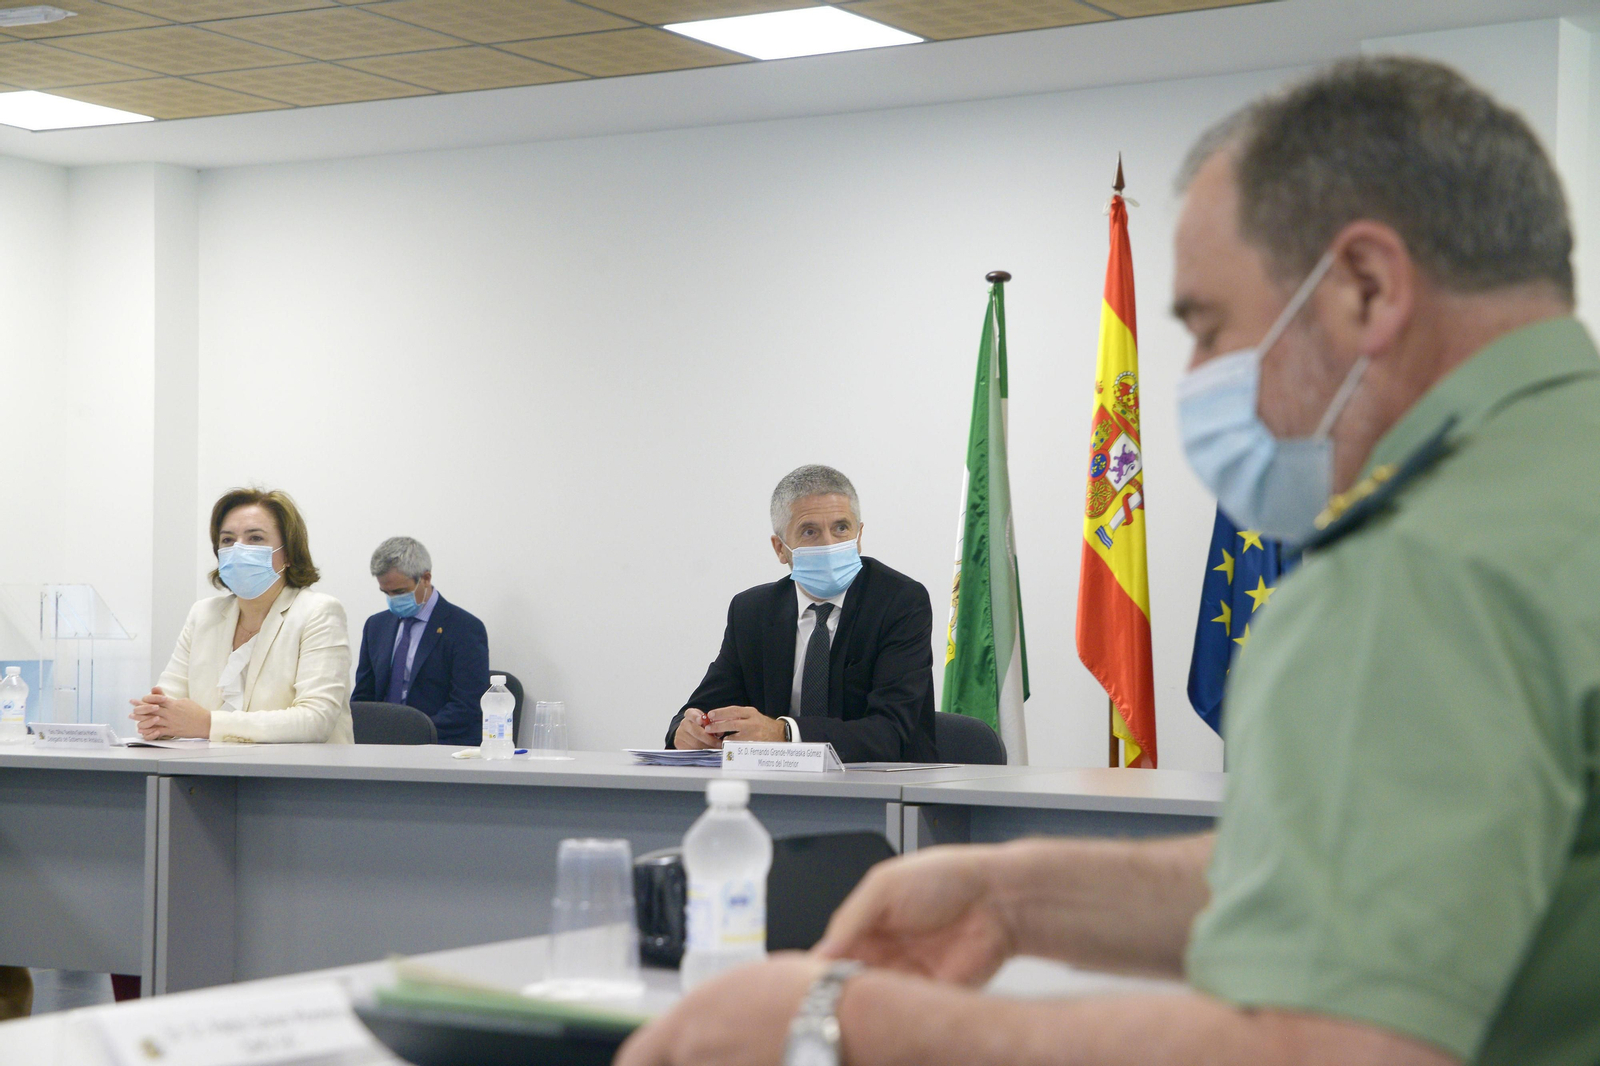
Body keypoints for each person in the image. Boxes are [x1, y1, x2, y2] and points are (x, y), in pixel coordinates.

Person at [618, 58, 1599, 1066]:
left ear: (1364, 286)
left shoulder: (1421, 570)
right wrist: (1013, 893)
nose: (1199, 381)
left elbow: (1332, 1045)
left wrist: (845, 1024)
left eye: (1212, 327)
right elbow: (1384, 883)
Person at [665, 465, 937, 763]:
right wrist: (686, 728)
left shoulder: (899, 602)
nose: (829, 544)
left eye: (841, 528)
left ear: (859, 536)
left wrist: (784, 733)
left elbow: (890, 734)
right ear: (780, 549)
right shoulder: (752, 611)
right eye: (810, 532)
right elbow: (706, 705)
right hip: (777, 793)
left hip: (881, 791)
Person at [130, 487, 354, 744]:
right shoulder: (203, 614)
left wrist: (207, 724)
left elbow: (315, 720)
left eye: (255, 538)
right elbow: (168, 701)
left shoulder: (318, 612)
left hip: (300, 777)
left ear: (289, 553)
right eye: (227, 540)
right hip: (212, 773)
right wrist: (158, 718)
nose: (238, 549)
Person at [351, 536, 490, 746]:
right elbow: (363, 697)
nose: (392, 599)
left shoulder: (465, 628)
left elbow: (466, 706)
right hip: (380, 747)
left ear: (425, 578)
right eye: (385, 592)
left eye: (399, 592)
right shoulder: (376, 626)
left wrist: (412, 733)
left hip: (438, 745)